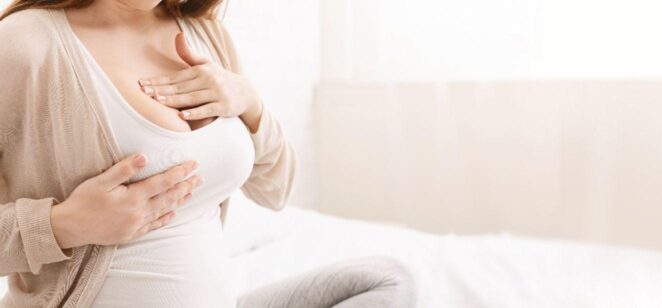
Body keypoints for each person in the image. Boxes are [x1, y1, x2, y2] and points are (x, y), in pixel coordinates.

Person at [0, 0, 415, 307]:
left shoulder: (200, 30)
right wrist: (64, 225)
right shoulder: (25, 45)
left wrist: (249, 103)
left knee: (387, 280)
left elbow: (277, 188)